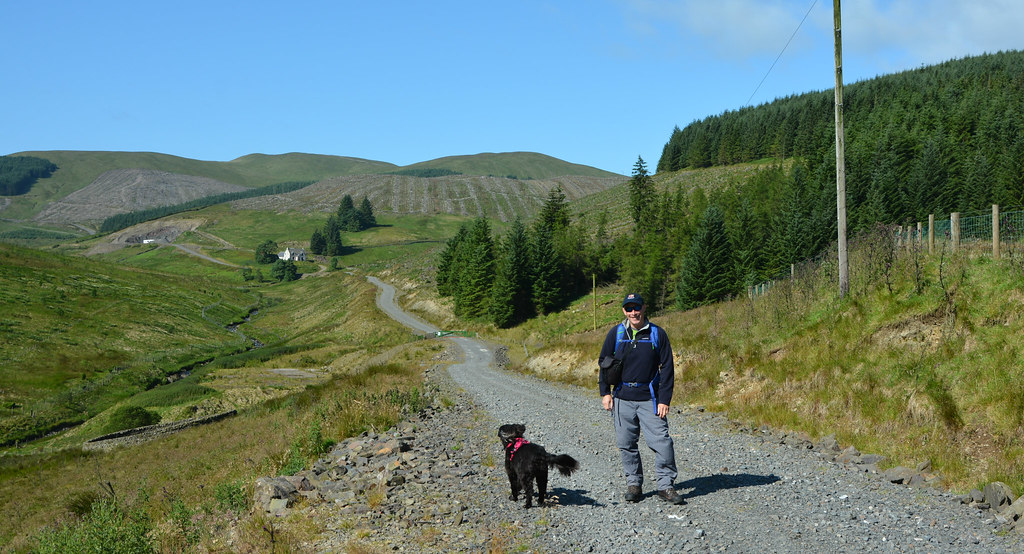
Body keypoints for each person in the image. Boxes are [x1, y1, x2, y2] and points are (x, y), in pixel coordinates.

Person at [599, 293, 684, 504]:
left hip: (650, 399)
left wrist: (664, 399)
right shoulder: (616, 333)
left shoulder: (657, 333)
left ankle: (666, 486)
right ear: (624, 311)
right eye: (629, 308)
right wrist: (605, 392)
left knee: (662, 443)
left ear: (644, 308)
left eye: (636, 307)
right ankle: (634, 484)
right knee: (626, 444)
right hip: (622, 398)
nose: (633, 312)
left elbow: (667, 368)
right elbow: (604, 363)